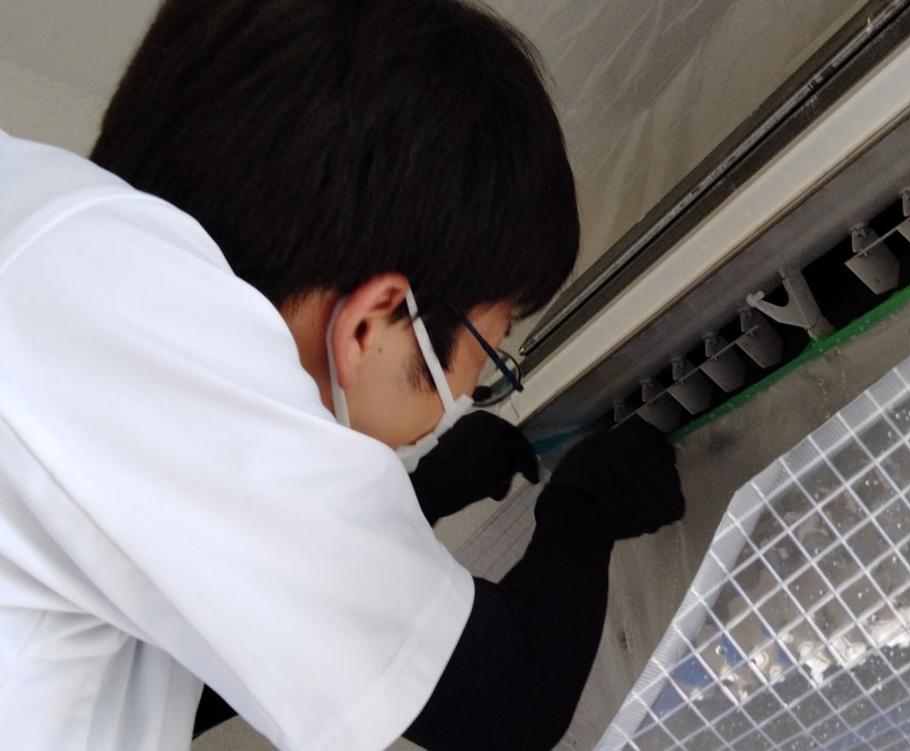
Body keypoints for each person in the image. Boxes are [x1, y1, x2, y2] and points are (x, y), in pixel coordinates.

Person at [0, 1, 685, 749]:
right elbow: (510, 698)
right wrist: (585, 507)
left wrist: (422, 495)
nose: (456, 407)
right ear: (373, 321)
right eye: (484, 365)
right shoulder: (122, 320)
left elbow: (199, 644)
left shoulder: (60, 253)